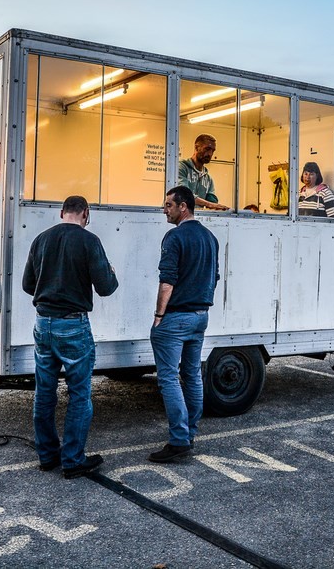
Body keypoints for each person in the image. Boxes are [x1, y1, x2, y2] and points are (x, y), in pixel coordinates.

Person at [22, 195, 118, 479]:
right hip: (73, 325)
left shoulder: (41, 239)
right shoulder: (89, 241)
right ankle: (73, 459)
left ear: (62, 212)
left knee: (45, 391)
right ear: (85, 213)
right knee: (79, 393)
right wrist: (111, 272)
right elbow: (106, 288)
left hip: (43, 323)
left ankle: (47, 455)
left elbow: (29, 285)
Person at [148, 185, 220, 463]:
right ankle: (189, 434)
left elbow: (167, 280)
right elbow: (215, 277)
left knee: (168, 378)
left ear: (183, 207)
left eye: (168, 205)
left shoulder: (174, 237)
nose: (164, 210)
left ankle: (178, 440)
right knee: (191, 375)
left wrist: (158, 315)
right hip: (200, 316)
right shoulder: (210, 237)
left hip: (175, 317)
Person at [178, 134, 230, 210]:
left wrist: (218, 206)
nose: (210, 154)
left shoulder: (208, 178)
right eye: (207, 149)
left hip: (195, 217)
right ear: (196, 147)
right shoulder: (181, 168)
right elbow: (184, 195)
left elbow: (211, 200)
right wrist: (210, 204)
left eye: (213, 150)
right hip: (176, 217)